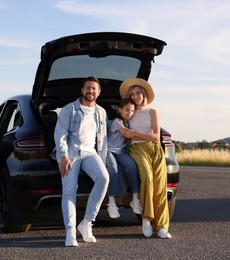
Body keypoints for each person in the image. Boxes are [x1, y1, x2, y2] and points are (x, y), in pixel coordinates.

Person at [54, 76, 109, 247]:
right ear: (82, 90)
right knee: (70, 190)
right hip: (71, 152)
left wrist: (103, 160)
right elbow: (60, 134)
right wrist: (63, 156)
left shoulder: (101, 112)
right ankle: (70, 232)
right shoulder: (69, 109)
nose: (90, 91)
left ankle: (86, 223)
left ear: (98, 92)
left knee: (104, 178)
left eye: (94, 88)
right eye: (88, 88)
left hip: (91, 152)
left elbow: (103, 139)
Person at [119, 78, 172, 239]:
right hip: (137, 149)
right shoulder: (130, 113)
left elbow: (156, 137)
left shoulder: (152, 112)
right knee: (147, 178)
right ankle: (146, 219)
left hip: (155, 150)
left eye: (138, 93)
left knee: (160, 186)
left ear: (144, 95)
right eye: (132, 94)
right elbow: (121, 130)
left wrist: (135, 133)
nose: (135, 96)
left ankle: (162, 227)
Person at [105, 98, 142, 218]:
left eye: (132, 111)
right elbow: (126, 133)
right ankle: (111, 203)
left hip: (120, 152)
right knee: (113, 169)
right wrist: (142, 133)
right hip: (108, 151)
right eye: (127, 110)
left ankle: (135, 199)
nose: (129, 113)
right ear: (120, 110)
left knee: (131, 166)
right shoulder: (117, 121)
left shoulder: (129, 123)